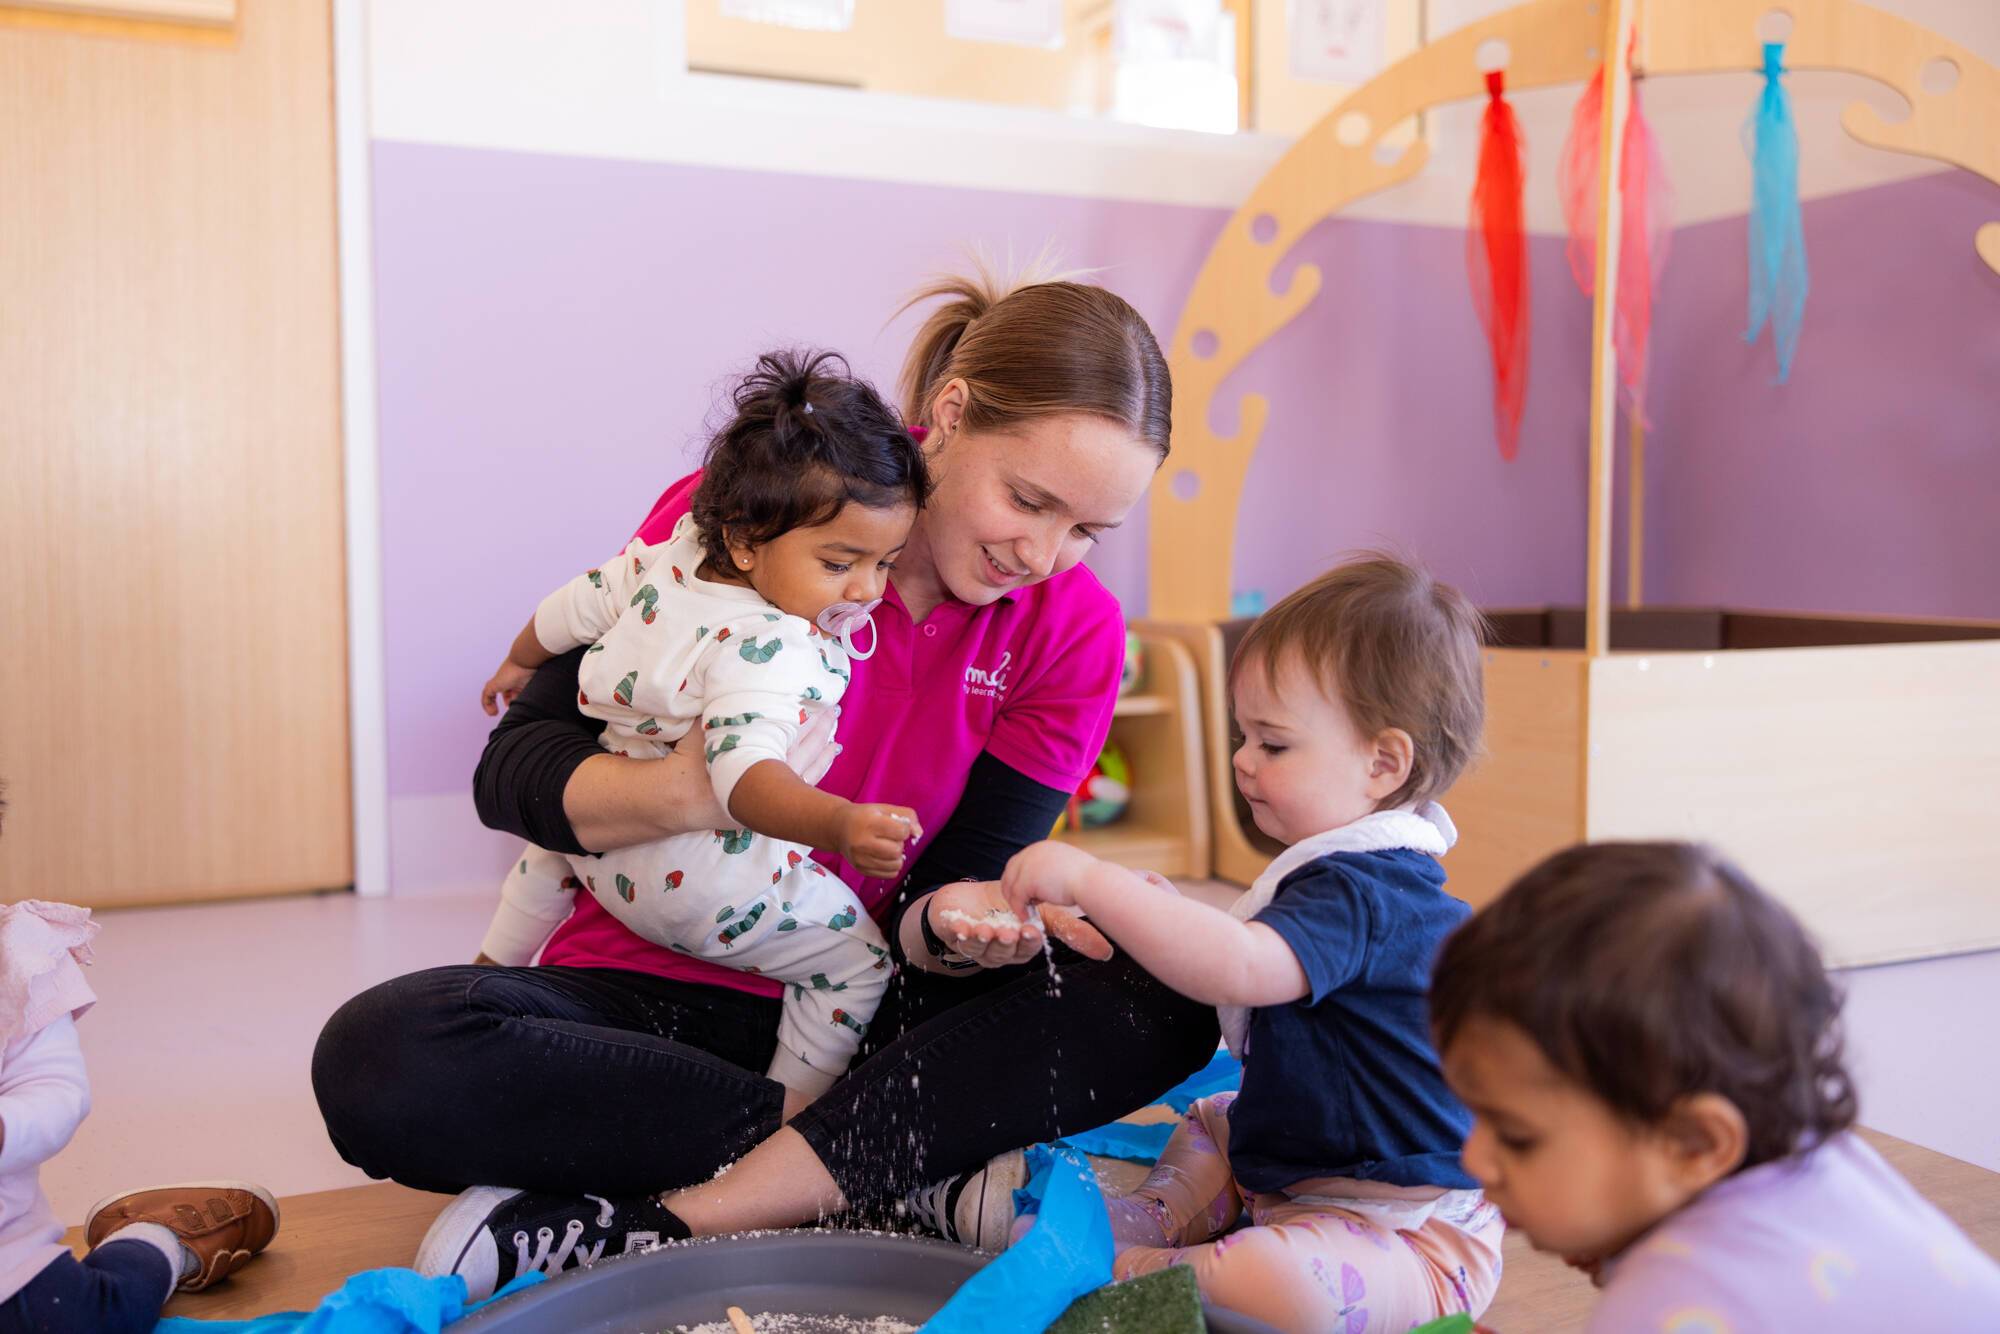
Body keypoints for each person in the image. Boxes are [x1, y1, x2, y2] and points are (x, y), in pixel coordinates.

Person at [312, 266, 1218, 1301]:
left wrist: (968, 915)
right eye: (1029, 499)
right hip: (643, 995)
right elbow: (512, 775)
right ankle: (871, 1166)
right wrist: (696, 793)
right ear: (948, 414)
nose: (1044, 553)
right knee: (381, 1056)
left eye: (1086, 531)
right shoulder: (753, 516)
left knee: (1171, 988)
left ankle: (679, 1203)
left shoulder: (1073, 629)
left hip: (860, 997)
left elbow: (947, 888)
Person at [991, 556, 1504, 1334]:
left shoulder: (1368, 891)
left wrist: (1098, 883)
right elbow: (1248, 944)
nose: (1242, 760)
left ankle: (1138, 1269)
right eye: (1243, 735)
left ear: (1383, 763)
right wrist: (1161, 912)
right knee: (1215, 1116)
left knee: (1278, 1285)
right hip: (1297, 1166)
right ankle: (1162, 1216)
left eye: (1274, 743)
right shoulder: (1344, 874)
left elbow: (1237, 964)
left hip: (1411, 1238)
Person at [473, 349, 928, 1111]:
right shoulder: (769, 647)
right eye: (840, 562)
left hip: (598, 854)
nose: (867, 589)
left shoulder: (671, 554)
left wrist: (518, 663)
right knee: (859, 967)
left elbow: (573, 607)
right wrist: (840, 824)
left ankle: (492, 967)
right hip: (704, 892)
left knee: (549, 844)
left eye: (886, 563)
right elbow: (746, 782)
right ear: (748, 538)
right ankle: (784, 1118)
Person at [1432, 841, 2000, 1331]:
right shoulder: (1825, 1165)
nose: (1475, 1158)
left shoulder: (1671, 1303)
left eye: (1517, 1136)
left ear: (1696, 1143)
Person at [0, 815, 276, 1333]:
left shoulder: (15, 964)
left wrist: (4, 1127)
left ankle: (158, 1239)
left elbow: (55, 1091)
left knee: (91, 1317)